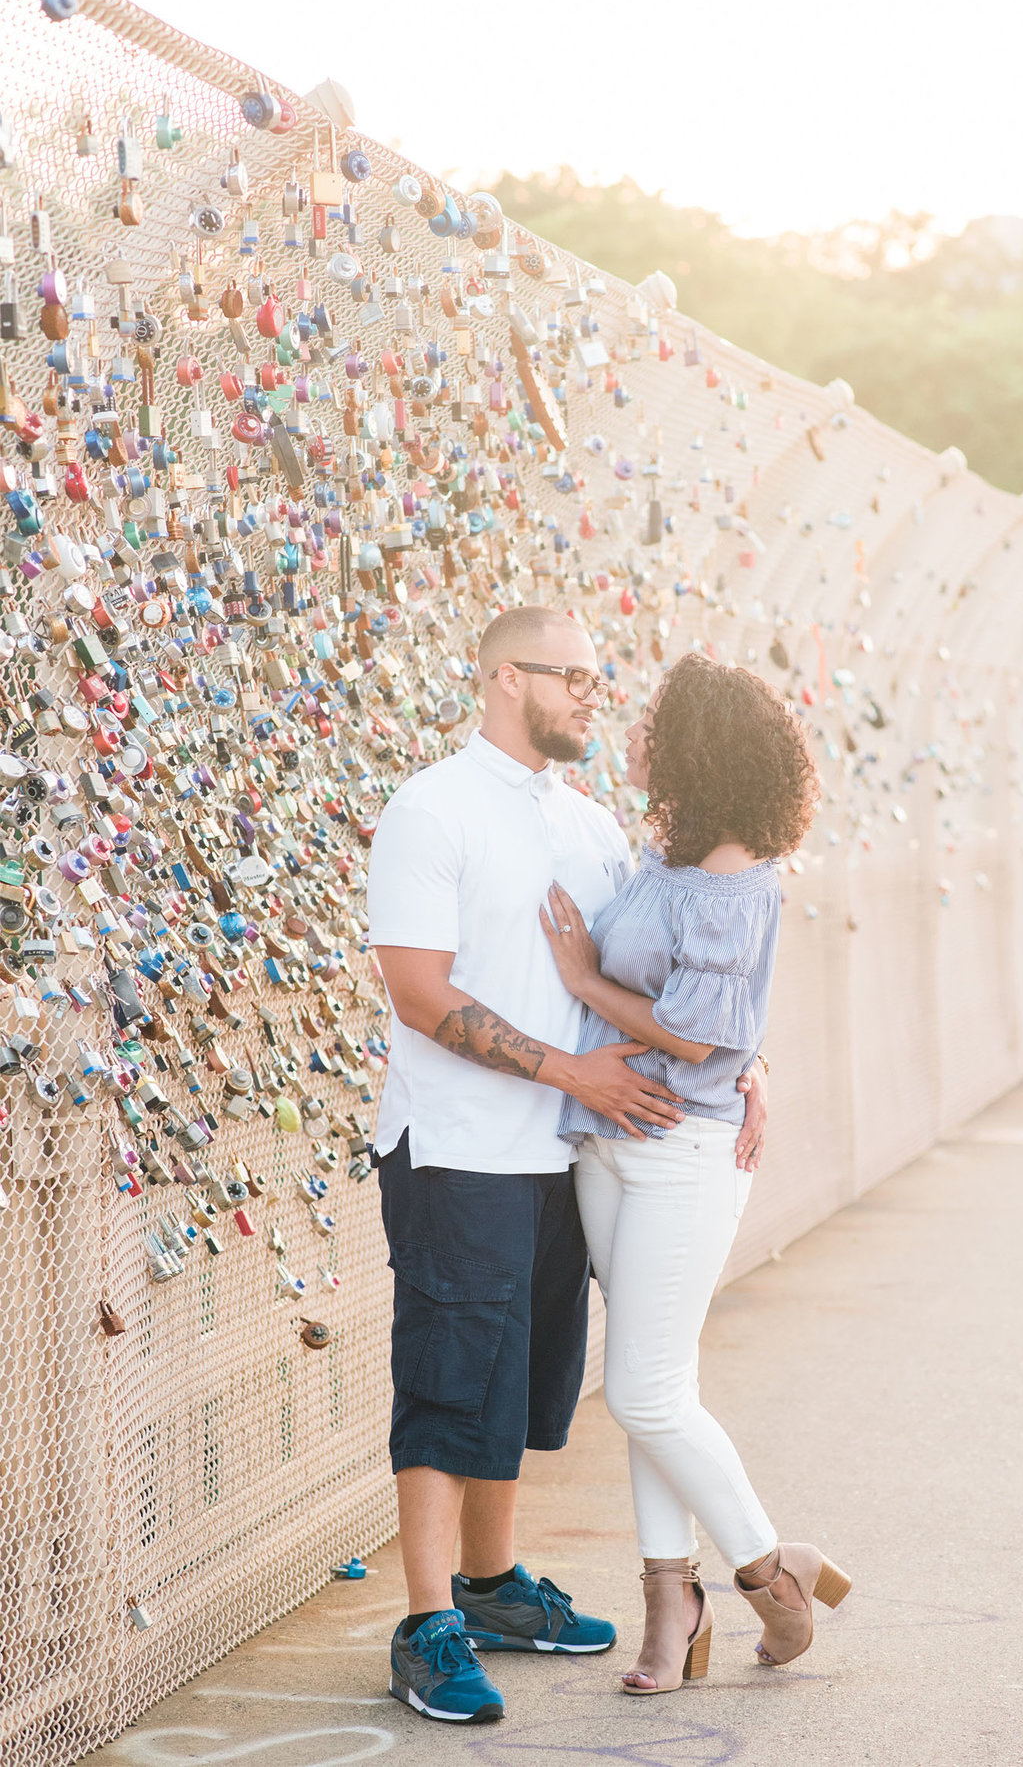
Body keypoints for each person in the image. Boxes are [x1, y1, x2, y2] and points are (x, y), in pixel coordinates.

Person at [367, 605, 685, 1723]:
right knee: (451, 1386)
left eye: (601, 680)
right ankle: (425, 1626)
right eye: (574, 678)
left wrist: (738, 1068)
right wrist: (570, 1073)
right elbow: (418, 990)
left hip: (563, 1156)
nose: (595, 696)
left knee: (525, 1383)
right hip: (458, 1149)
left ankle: (494, 1590)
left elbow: (641, 975)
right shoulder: (431, 809)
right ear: (505, 678)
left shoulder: (590, 823)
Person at [537, 653, 849, 1696]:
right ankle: (670, 1601)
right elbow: (718, 1028)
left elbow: (702, 1035)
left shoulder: (731, 873)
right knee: (653, 1388)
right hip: (606, 1138)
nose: (632, 734)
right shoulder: (671, 859)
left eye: (655, 723)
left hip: (681, 1147)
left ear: (696, 747)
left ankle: (770, 1572)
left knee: (641, 1386)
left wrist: (581, 978)